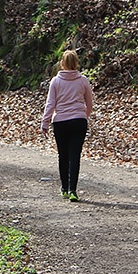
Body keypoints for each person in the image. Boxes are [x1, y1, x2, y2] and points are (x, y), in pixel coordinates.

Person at [41, 50, 94, 202]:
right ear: (76, 63)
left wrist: (45, 123)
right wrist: (83, 115)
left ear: (62, 64)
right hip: (79, 121)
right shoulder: (83, 80)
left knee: (63, 155)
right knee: (75, 156)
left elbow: (50, 104)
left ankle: (64, 188)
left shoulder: (55, 82)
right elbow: (89, 103)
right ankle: (73, 190)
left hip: (60, 122)